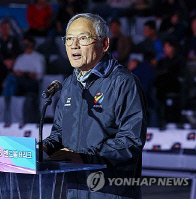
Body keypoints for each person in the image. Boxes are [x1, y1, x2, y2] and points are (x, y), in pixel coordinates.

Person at [43, 13, 147, 198]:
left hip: (111, 192)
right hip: (74, 189)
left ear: (105, 44)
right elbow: (59, 133)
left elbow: (131, 141)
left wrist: (85, 158)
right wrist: (42, 149)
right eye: (69, 39)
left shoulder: (123, 82)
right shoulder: (68, 85)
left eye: (83, 38)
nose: (74, 45)